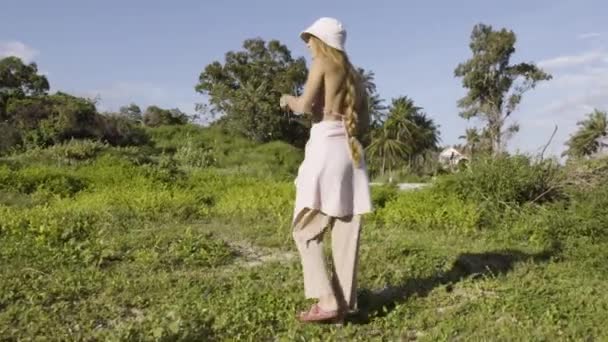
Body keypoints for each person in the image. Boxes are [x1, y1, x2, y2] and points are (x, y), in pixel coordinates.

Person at [280, 17, 372, 324]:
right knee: (346, 232)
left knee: (304, 227)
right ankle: (343, 306)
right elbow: (365, 122)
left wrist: (287, 99)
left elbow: (304, 106)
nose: (307, 43)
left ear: (322, 40)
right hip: (352, 153)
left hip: (326, 149)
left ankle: (328, 299)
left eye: (309, 37)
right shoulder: (355, 76)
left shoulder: (322, 62)